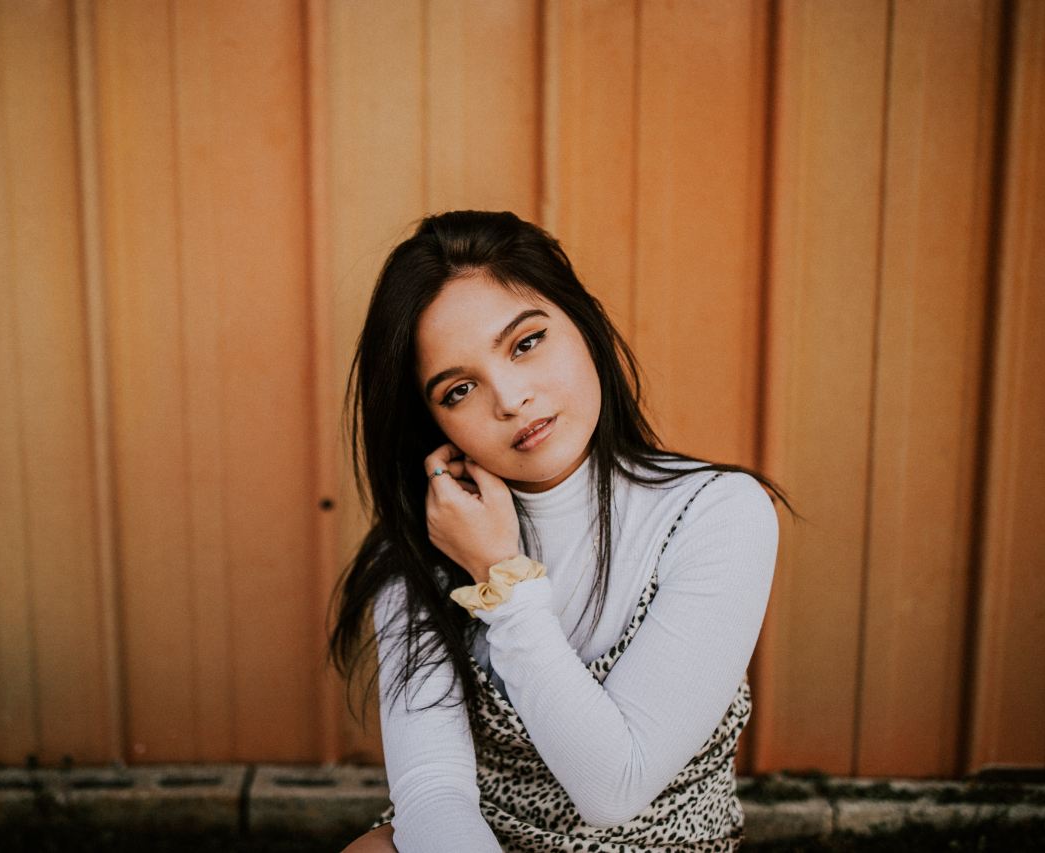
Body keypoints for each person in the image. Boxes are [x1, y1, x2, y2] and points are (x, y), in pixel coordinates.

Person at [329, 210, 785, 852]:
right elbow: (434, 793)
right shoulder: (423, 546)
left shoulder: (717, 514)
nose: (510, 398)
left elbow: (614, 789)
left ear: (584, 324)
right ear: (434, 424)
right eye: (459, 389)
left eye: (525, 343)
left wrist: (502, 581)